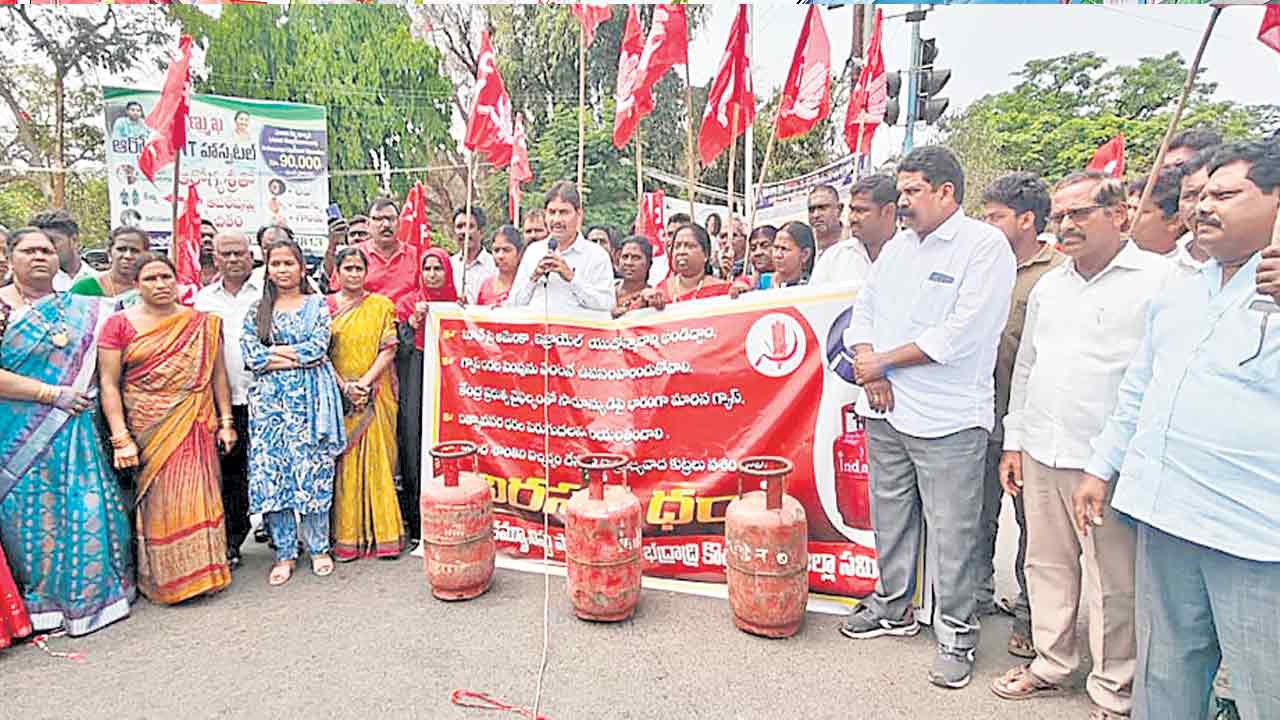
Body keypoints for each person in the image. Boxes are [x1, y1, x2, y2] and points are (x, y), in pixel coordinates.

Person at [1076, 141, 1279, 720]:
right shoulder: (1180, 287)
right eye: (1203, 196)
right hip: (1166, 515)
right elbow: (1141, 387)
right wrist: (1101, 465)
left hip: (1255, 535)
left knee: (1266, 688)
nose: (1205, 208)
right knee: (1166, 674)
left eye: (1227, 195)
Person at [990, 172, 1172, 718]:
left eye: (1080, 214)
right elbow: (1027, 369)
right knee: (1047, 563)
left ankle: (1115, 688)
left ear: (1119, 216)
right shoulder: (1051, 287)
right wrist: (1014, 441)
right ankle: (1051, 661)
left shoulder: (1159, 281)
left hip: (1107, 459)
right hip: (1043, 447)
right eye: (1060, 217)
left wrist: (1110, 462)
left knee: (1114, 580)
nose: (1066, 226)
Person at [839, 146, 1016, 690]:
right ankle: (893, 607)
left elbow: (962, 335)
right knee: (890, 518)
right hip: (887, 410)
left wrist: (885, 362)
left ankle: (958, 636)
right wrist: (870, 373)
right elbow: (863, 312)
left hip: (949, 420)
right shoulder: (897, 250)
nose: (904, 200)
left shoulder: (983, 248)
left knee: (953, 532)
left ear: (946, 193)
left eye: (913, 191)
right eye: (903, 190)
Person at [0, 227, 135, 636]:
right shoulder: (2, 308)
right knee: (32, 520)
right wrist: (50, 393)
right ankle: (43, 604)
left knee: (87, 506)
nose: (40, 256)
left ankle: (96, 598)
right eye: (29, 250)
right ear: (10, 257)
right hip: (19, 435)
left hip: (75, 431)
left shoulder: (84, 308)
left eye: (46, 250)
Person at [97, 253, 236, 605]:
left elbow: (217, 376)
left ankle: (205, 571)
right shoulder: (119, 324)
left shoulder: (202, 323)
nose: (160, 285)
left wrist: (226, 422)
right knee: (161, 501)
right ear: (135, 285)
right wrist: (120, 438)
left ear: (177, 281)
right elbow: (109, 384)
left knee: (197, 495)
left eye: (165, 277)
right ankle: (168, 577)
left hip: (194, 420)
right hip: (148, 424)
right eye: (150, 279)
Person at [975, 172, 1067, 659]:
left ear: (1027, 220)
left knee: (1034, 525)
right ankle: (976, 597)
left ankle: (1033, 619)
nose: (986, 225)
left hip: (1029, 419)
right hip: (979, 411)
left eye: (996, 217)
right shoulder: (981, 263)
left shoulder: (1059, 273)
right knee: (977, 515)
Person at [242, 239, 346, 586]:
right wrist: (291, 356)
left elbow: (318, 349)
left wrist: (275, 355)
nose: (283, 270)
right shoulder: (257, 310)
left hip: (310, 403)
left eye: (290, 263)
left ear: (302, 269)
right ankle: (285, 552)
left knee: (313, 471)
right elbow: (251, 356)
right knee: (276, 476)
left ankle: (318, 547)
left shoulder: (317, 305)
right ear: (267, 270)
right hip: (270, 409)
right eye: (276, 264)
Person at [326, 247, 404, 562]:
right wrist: (345, 386)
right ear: (338, 272)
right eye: (348, 268)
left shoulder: (381, 306)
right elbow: (321, 353)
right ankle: (348, 537)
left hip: (377, 391)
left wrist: (364, 383)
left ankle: (385, 535)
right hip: (338, 392)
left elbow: (389, 349)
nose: (354, 274)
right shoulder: (324, 307)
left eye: (359, 268)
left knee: (380, 463)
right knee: (345, 466)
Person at [193, 230, 262, 567]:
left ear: (251, 256)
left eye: (239, 253)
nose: (234, 259)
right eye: (227, 254)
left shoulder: (268, 292)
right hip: (224, 400)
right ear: (215, 258)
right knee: (231, 471)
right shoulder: (203, 301)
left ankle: (283, 538)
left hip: (269, 397)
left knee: (269, 468)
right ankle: (233, 540)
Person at [396, 248, 459, 549]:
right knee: (413, 443)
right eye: (428, 269)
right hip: (415, 381)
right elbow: (401, 351)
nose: (433, 275)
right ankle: (417, 524)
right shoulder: (409, 304)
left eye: (439, 269)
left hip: (450, 385)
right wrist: (412, 323)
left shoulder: (457, 305)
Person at [507, 181, 615, 314]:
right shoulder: (533, 252)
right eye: (552, 212)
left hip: (578, 333)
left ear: (579, 215)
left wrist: (571, 278)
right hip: (539, 333)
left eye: (564, 212)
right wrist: (533, 278)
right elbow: (512, 305)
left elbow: (607, 305)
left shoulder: (597, 255)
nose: (556, 220)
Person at [323, 198, 418, 309]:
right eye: (378, 219)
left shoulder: (416, 256)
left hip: (405, 322)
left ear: (399, 223)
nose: (386, 224)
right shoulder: (353, 255)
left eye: (391, 219)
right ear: (368, 224)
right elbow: (336, 294)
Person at [70, 226, 148, 307]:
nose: (128, 256)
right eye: (121, 249)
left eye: (135, 250)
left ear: (145, 254)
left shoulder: (152, 288)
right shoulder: (85, 287)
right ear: (109, 252)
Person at [734, 222, 816, 294]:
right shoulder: (761, 282)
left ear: (805, 254)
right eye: (776, 248)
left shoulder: (816, 283)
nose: (777, 255)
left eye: (784, 249)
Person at [659, 224, 732, 303]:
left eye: (689, 246)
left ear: (706, 254)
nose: (681, 251)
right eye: (677, 246)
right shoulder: (661, 291)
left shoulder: (723, 289)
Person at [1174, 147, 1216, 274]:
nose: (1199, 206)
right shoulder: (1162, 267)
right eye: (1189, 195)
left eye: (1213, 194)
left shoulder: (1269, 268)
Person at [29, 210, 93, 292]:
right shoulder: (32, 284)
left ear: (74, 240)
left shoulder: (100, 281)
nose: (45, 248)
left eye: (52, 241)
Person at [843, 174, 900, 264]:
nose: (852, 218)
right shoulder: (834, 258)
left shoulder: (914, 254)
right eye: (852, 210)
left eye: (860, 211)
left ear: (889, 211)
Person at [1130, 165, 1185, 257]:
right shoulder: (1105, 259)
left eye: (1141, 211)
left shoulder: (1188, 269)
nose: (1129, 215)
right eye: (1128, 207)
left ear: (1175, 221)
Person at [451, 207, 496, 304]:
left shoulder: (495, 265)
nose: (464, 232)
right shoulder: (449, 265)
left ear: (481, 232)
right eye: (459, 227)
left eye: (470, 226)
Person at [613, 235, 664, 317]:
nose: (628, 262)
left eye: (636, 258)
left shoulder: (652, 297)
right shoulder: (607, 289)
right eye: (625, 257)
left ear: (648, 263)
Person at [476, 225, 524, 307]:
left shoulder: (525, 286)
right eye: (496, 250)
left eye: (506, 250)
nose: (500, 256)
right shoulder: (486, 285)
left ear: (519, 253)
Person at [808, 185, 845, 258]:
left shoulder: (856, 240)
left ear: (839, 209)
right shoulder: (803, 244)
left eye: (822, 208)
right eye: (811, 210)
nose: (816, 215)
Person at [715, 216, 749, 280]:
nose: (726, 241)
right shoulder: (712, 269)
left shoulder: (753, 267)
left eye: (733, 235)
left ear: (745, 239)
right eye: (722, 236)